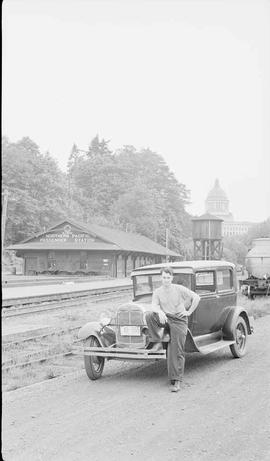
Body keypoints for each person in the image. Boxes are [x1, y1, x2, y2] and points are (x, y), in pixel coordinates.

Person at [145, 266, 200, 393]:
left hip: (179, 320)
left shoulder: (178, 289)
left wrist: (189, 312)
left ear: (172, 278)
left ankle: (177, 381)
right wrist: (159, 312)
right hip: (165, 318)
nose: (166, 280)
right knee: (149, 315)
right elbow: (153, 305)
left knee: (177, 351)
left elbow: (196, 297)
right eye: (164, 277)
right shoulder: (158, 291)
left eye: (168, 278)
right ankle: (158, 339)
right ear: (161, 278)